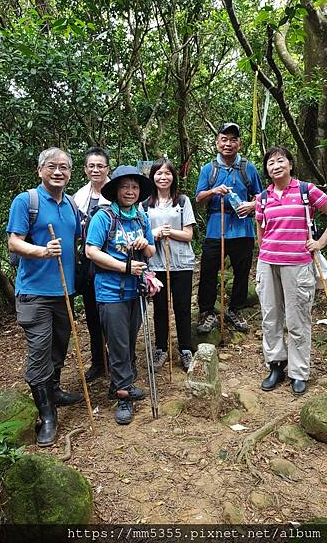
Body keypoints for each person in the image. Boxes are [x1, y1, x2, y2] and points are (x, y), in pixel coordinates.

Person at [7, 148, 83, 447]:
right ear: (40, 170)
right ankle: (48, 415)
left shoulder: (71, 206)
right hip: (34, 293)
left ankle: (54, 391)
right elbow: (14, 242)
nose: (58, 172)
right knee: (39, 352)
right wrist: (41, 251)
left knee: (58, 347)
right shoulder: (27, 201)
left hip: (64, 291)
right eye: (52, 166)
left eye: (64, 167)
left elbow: (76, 239)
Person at [85, 166, 155, 425]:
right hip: (110, 290)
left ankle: (122, 382)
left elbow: (151, 251)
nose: (130, 191)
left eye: (135, 187)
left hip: (135, 289)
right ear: (115, 190)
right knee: (118, 343)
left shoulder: (140, 217)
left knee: (128, 337)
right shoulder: (104, 218)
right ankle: (123, 395)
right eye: (125, 186)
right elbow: (91, 251)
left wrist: (144, 244)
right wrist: (124, 266)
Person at [255, 146, 327, 395]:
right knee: (270, 318)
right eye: (270, 162)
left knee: (297, 319)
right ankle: (276, 365)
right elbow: (261, 229)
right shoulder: (262, 197)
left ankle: (299, 371)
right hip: (267, 264)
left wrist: (319, 243)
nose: (275, 166)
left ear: (290, 164)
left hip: (298, 264)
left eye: (280, 160)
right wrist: (264, 250)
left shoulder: (307, 190)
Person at [196, 122, 263, 334]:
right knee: (207, 272)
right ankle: (207, 312)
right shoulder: (209, 169)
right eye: (224, 139)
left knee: (242, 272)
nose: (228, 143)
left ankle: (236, 309)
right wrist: (213, 191)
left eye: (233, 139)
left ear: (239, 143)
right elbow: (198, 198)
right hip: (216, 230)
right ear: (217, 143)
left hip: (242, 229)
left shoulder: (247, 168)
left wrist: (251, 205)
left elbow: (261, 197)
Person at [139, 157, 196, 372]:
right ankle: (161, 348)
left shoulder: (182, 201)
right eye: (159, 173)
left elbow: (189, 234)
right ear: (152, 176)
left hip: (181, 263)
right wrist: (153, 234)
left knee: (182, 307)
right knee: (160, 308)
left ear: (174, 177)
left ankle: (186, 349)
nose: (163, 177)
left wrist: (169, 232)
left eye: (167, 173)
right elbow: (142, 235)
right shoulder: (144, 204)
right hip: (155, 263)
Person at [73, 147, 110, 382]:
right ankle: (99, 360)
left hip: (114, 261)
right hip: (88, 263)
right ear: (85, 169)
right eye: (91, 166)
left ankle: (120, 360)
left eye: (100, 165)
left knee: (113, 314)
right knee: (92, 314)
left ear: (108, 168)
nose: (96, 169)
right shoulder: (78, 196)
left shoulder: (118, 191)